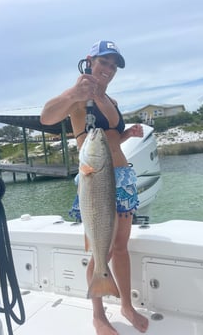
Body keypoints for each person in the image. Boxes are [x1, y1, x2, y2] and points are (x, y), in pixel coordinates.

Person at [40, 40, 149, 335]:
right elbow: (47, 115)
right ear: (90, 60)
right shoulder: (77, 94)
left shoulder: (109, 99)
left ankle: (126, 305)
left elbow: (111, 130)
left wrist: (127, 134)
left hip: (122, 175)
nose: (109, 70)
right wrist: (76, 93)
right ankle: (98, 316)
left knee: (121, 247)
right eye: (104, 62)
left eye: (114, 66)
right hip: (93, 178)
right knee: (102, 250)